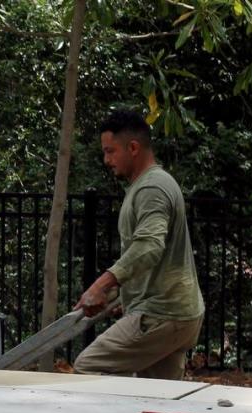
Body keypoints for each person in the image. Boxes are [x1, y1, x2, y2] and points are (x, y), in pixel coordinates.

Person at [72, 109, 204, 380]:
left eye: (110, 151)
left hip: (161, 315)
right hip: (178, 313)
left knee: (88, 366)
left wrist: (102, 285)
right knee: (158, 396)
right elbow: (158, 254)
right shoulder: (153, 183)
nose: (106, 160)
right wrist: (128, 296)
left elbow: (149, 246)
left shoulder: (151, 189)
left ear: (133, 147)